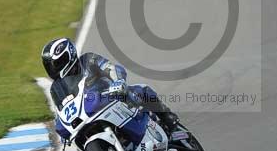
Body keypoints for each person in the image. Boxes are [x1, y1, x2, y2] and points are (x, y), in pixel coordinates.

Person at [41, 38, 179, 140]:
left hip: (113, 96)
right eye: (50, 66)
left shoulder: (87, 60)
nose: (54, 69)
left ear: (69, 55)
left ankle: (168, 118)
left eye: (57, 64)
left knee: (141, 90)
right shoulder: (56, 88)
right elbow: (61, 108)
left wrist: (117, 81)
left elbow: (110, 67)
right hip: (88, 114)